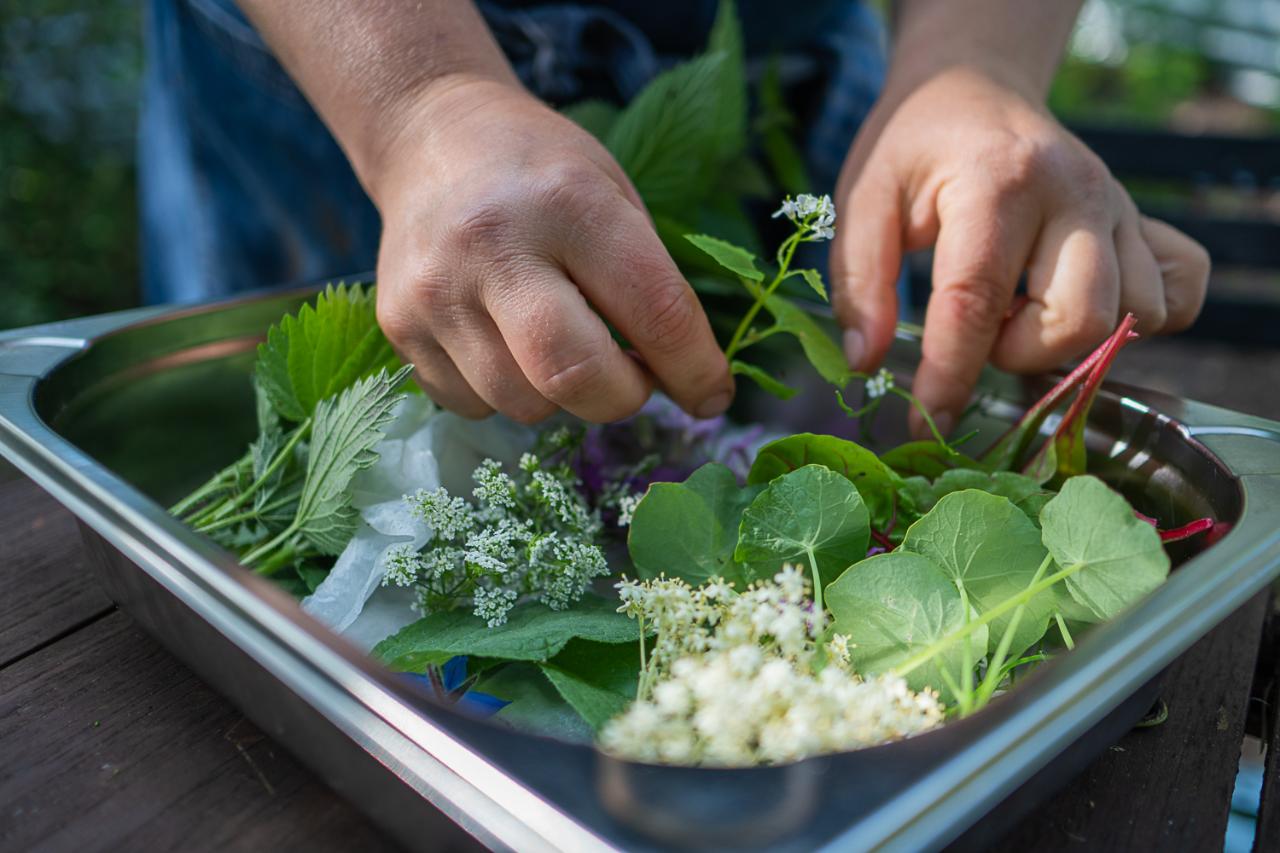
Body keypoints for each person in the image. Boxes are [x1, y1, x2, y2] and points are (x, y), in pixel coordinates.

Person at [141, 0, 1210, 436]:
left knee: (823, 428)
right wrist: (416, 103)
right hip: (344, 61)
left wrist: (977, 59)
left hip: (781, 56)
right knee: (325, 474)